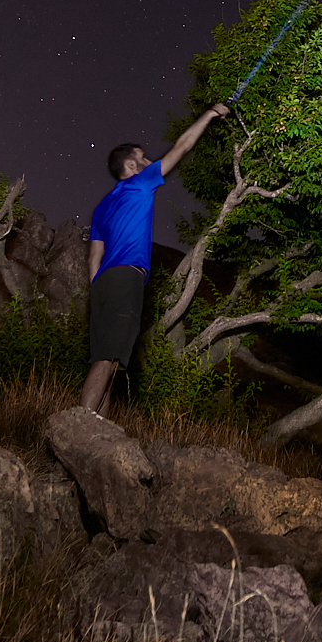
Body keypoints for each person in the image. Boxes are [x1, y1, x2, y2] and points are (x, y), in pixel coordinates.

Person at [81, 102, 230, 415]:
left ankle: (93, 435)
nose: (149, 160)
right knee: (109, 360)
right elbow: (183, 145)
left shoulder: (103, 207)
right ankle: (77, 424)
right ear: (133, 167)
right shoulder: (140, 183)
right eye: (143, 156)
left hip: (103, 284)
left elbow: (94, 257)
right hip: (125, 278)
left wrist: (98, 287)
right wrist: (210, 114)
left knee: (109, 364)